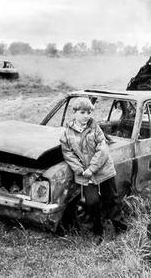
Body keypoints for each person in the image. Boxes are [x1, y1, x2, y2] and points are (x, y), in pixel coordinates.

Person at [60, 97, 127, 238]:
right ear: (75, 113)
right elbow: (67, 153)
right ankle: (97, 230)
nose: (86, 116)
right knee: (92, 202)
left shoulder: (95, 128)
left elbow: (102, 149)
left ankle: (119, 227)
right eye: (83, 112)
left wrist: (92, 168)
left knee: (112, 198)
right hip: (85, 174)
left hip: (103, 169)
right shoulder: (67, 132)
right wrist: (80, 170)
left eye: (89, 112)